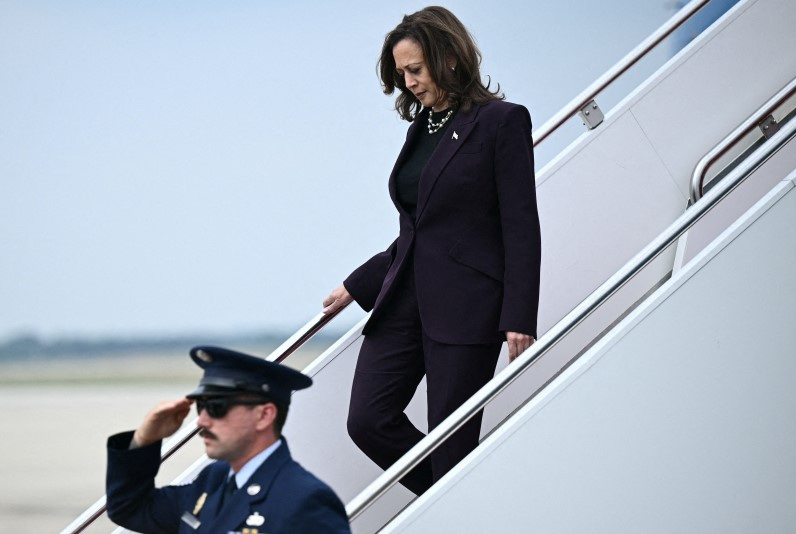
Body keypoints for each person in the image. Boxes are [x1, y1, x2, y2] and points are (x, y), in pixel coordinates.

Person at [322, 6, 541, 496]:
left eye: (415, 70)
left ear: (450, 59)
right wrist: (359, 284)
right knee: (368, 420)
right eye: (402, 74)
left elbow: (520, 225)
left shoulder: (502, 122)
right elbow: (419, 229)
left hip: (467, 310)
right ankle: (454, 501)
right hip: (404, 301)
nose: (409, 82)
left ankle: (452, 501)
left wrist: (519, 314)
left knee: (452, 444)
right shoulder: (421, 129)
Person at [105, 345, 351, 533]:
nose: (201, 421)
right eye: (200, 406)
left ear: (264, 415)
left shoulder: (303, 500)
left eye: (217, 407)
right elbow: (131, 508)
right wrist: (144, 439)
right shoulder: (213, 481)